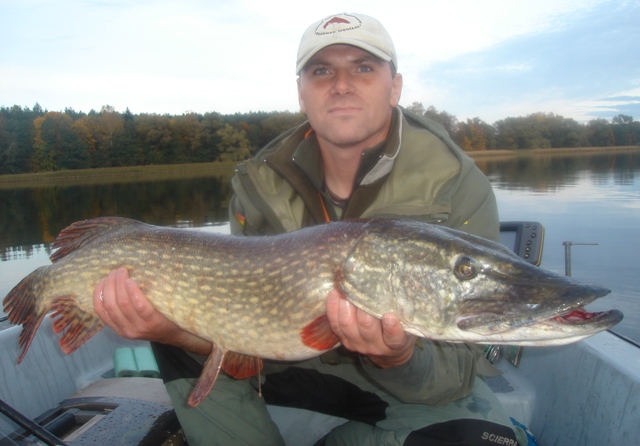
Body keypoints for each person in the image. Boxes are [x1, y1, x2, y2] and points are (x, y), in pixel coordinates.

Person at [94, 12, 527, 446]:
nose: (341, 84)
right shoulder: (257, 183)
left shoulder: (456, 183)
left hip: (402, 382)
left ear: (394, 86)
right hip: (287, 360)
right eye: (322, 71)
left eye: (363, 67)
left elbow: (458, 372)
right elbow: (240, 334)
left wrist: (399, 355)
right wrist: (171, 330)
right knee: (173, 328)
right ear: (301, 93)